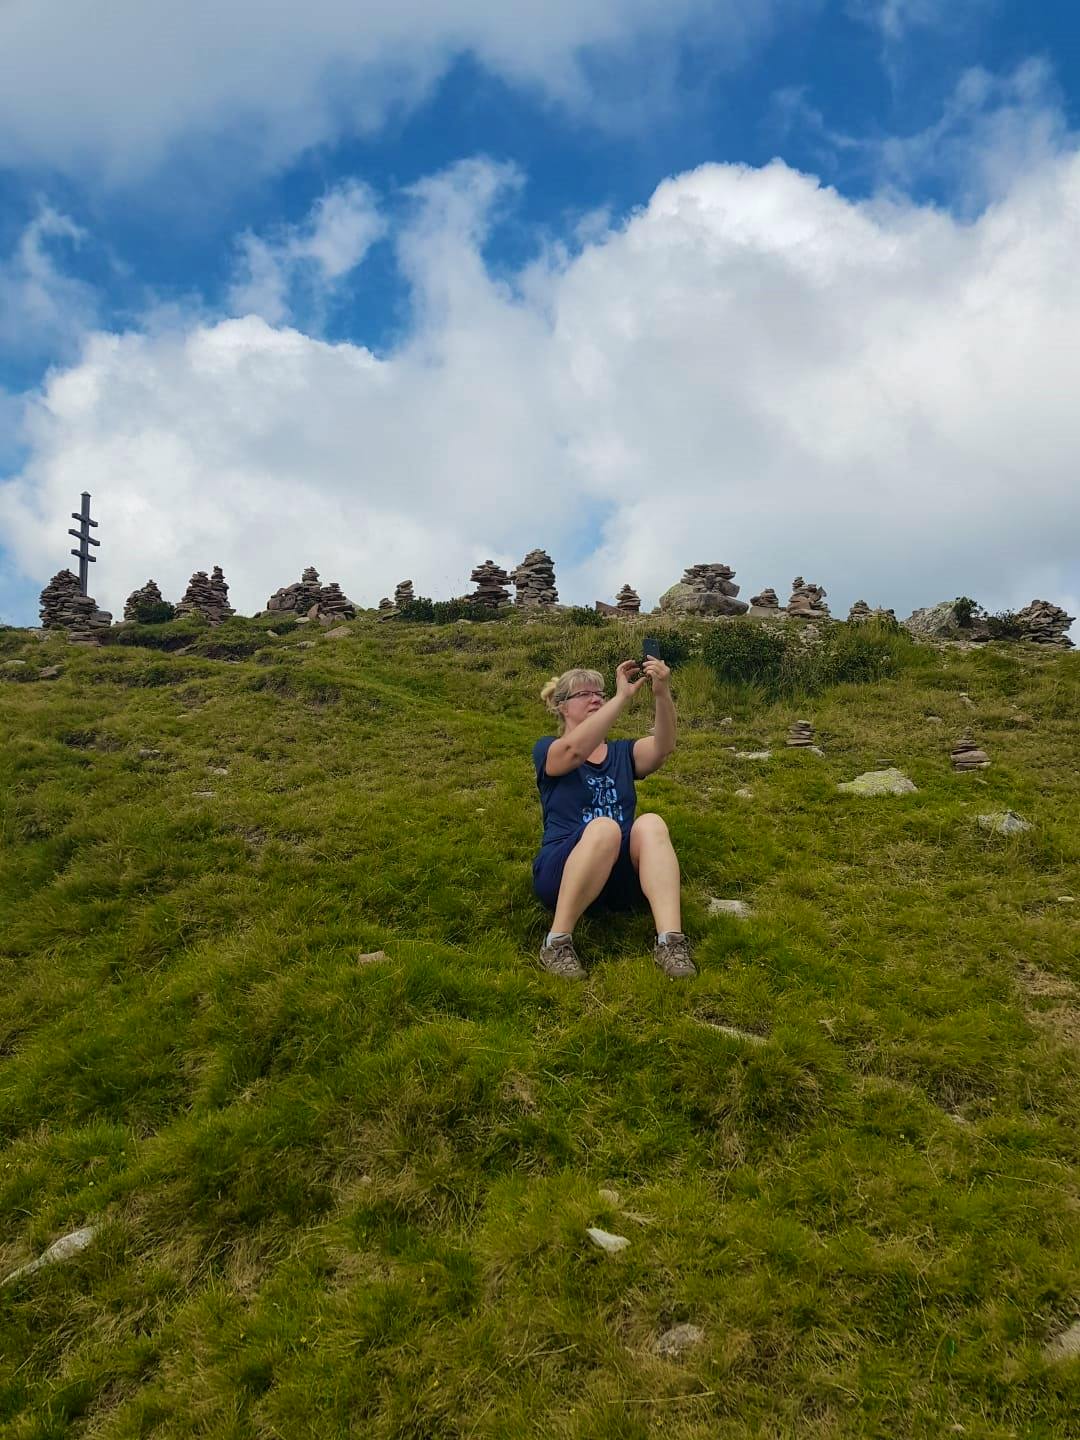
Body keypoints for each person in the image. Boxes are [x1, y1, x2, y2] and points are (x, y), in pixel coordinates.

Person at [531, 657, 695, 980]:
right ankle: (556, 942)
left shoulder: (622, 753)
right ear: (563, 706)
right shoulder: (549, 749)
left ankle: (670, 942)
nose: (596, 698)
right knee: (605, 829)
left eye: (600, 694)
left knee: (651, 823)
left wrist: (662, 693)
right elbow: (575, 752)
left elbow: (663, 748)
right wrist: (621, 698)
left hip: (616, 878)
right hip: (561, 873)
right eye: (585, 694)